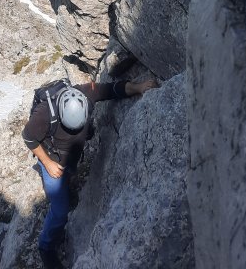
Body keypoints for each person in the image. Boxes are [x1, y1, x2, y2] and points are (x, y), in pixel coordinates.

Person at [22, 77, 157, 268]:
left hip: (69, 157)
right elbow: (28, 137)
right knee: (60, 211)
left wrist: (139, 87)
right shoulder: (44, 113)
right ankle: (45, 247)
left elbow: (113, 89)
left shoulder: (86, 93)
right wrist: (48, 163)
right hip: (52, 160)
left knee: (68, 176)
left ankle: (67, 185)